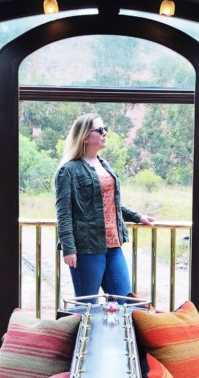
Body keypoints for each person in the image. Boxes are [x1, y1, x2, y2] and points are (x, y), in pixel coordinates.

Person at [55, 113, 155, 299]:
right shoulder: (68, 170)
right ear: (85, 136)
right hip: (87, 248)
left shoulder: (104, 165)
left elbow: (110, 203)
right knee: (87, 306)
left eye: (105, 129)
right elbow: (64, 214)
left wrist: (138, 217)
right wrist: (69, 249)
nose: (105, 133)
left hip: (113, 245)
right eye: (99, 130)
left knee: (125, 302)